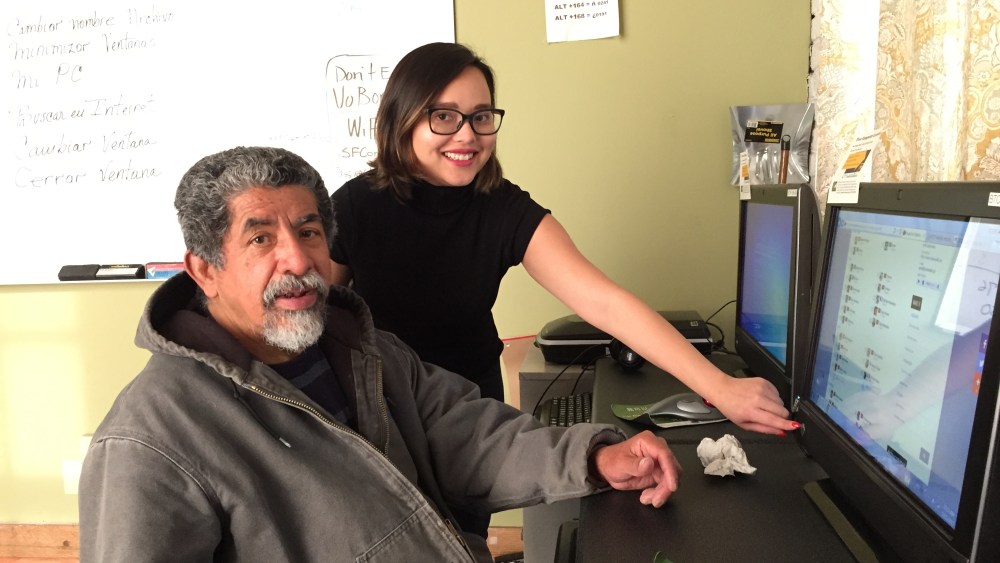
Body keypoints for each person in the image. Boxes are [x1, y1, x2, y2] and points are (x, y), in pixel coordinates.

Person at [78, 146, 682, 562]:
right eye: (261, 238)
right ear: (204, 270)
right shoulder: (148, 440)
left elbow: (468, 435)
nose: (297, 259)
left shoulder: (364, 350)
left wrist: (593, 457)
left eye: (309, 231)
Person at [329, 43, 797, 434]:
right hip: (379, 410)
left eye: (481, 116)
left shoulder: (501, 207)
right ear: (403, 118)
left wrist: (720, 387)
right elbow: (314, 316)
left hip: (469, 410)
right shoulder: (352, 207)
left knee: (467, 540)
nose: (468, 135)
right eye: (445, 117)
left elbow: (604, 303)